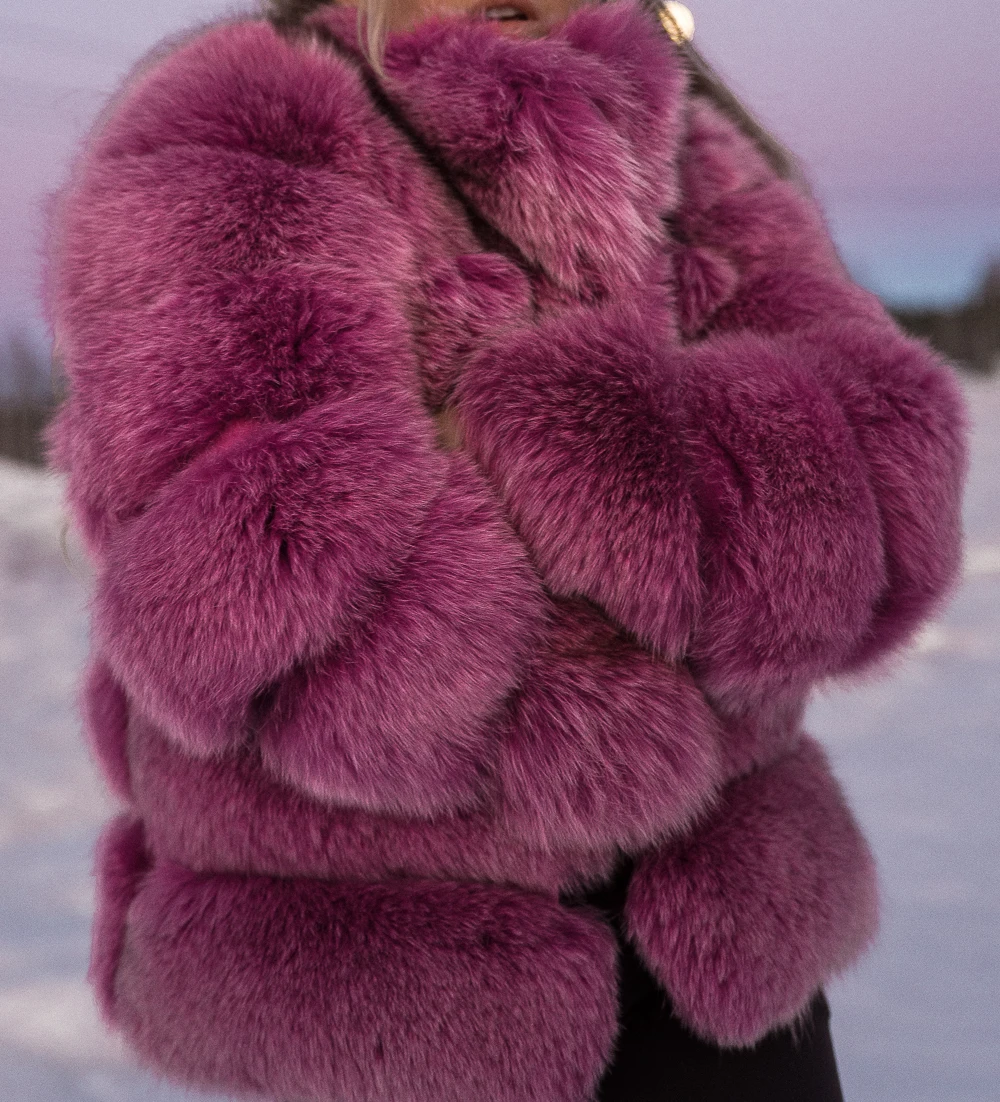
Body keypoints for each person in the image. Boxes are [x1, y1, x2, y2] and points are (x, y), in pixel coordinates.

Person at [40, 0, 968, 1099]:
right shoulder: (230, 138)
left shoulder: (692, 149)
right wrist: (694, 626)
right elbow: (263, 596)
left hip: (732, 972)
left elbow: (892, 500)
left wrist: (548, 444)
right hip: (398, 1006)